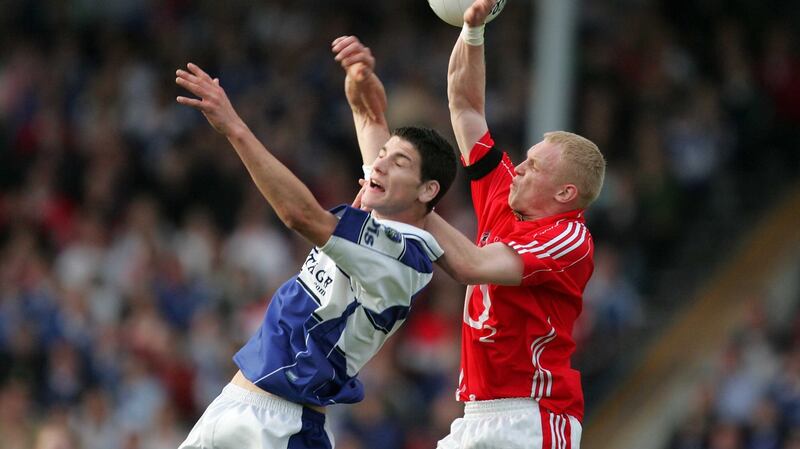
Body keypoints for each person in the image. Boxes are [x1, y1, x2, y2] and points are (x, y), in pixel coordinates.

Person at [340, 1, 606, 447]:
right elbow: (465, 108)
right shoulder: (506, 197)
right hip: (477, 414)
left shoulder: (569, 239)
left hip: (532, 418)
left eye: (534, 166)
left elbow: (472, 266)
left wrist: (416, 206)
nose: (518, 168)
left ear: (565, 194)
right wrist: (472, 33)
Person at [173, 36, 458, 448]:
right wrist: (359, 80)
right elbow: (368, 119)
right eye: (384, 156)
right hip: (236, 404)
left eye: (399, 162)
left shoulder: (402, 255)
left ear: (427, 191)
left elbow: (300, 216)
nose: (378, 163)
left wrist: (235, 128)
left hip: (280, 427)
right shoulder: (380, 219)